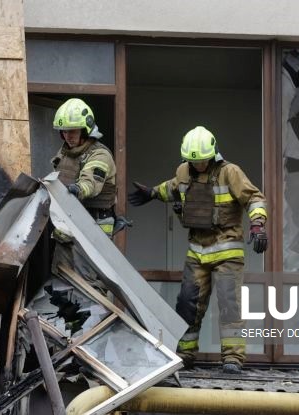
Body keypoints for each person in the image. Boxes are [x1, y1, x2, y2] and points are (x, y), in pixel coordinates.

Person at [129, 126, 268, 373]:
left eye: (202, 161)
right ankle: (185, 355)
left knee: (229, 304)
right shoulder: (184, 171)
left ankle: (233, 359)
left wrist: (257, 225)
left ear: (212, 155)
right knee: (187, 304)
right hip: (197, 252)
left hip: (227, 252)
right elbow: (173, 188)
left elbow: (254, 198)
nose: (199, 166)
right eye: (194, 162)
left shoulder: (230, 173)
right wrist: (152, 193)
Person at [51, 98, 117, 236]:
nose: (68, 136)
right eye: (64, 131)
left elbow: (90, 183)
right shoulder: (65, 152)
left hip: (94, 226)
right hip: (69, 221)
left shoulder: (100, 154)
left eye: (73, 131)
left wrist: (78, 189)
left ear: (85, 130)